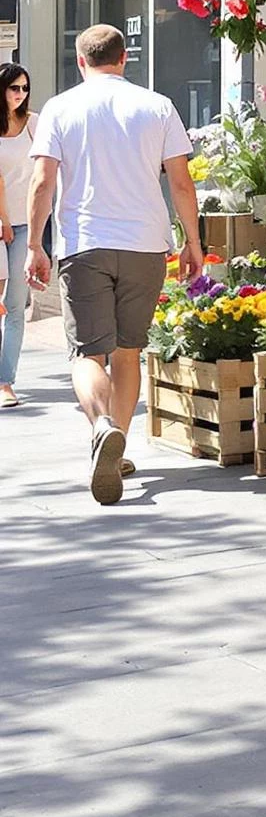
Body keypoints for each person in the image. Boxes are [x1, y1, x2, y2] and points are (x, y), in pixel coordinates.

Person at [26, 25, 202, 504]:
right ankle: (118, 445)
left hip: (85, 245)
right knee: (128, 351)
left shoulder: (61, 108)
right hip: (146, 243)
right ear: (125, 59)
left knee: (87, 354)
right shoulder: (157, 105)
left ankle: (103, 426)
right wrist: (193, 242)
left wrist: (34, 246)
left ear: (80, 62)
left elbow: (42, 183)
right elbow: (182, 184)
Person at [0, 62, 34, 406]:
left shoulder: (34, 125)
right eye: (14, 88)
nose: (20, 94)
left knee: (15, 306)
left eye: (24, 88)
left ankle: (5, 382)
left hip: (26, 224)